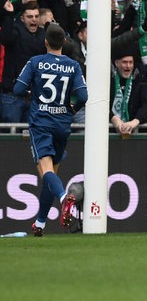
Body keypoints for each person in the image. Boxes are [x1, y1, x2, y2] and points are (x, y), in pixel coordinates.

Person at [13, 24, 87, 236]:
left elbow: (18, 89)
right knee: (50, 174)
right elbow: (83, 96)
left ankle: (64, 199)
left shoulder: (36, 62)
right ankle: (41, 223)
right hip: (62, 124)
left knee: (45, 170)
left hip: (41, 122)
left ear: (45, 41)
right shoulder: (73, 65)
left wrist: (31, 94)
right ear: (64, 42)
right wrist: (73, 108)